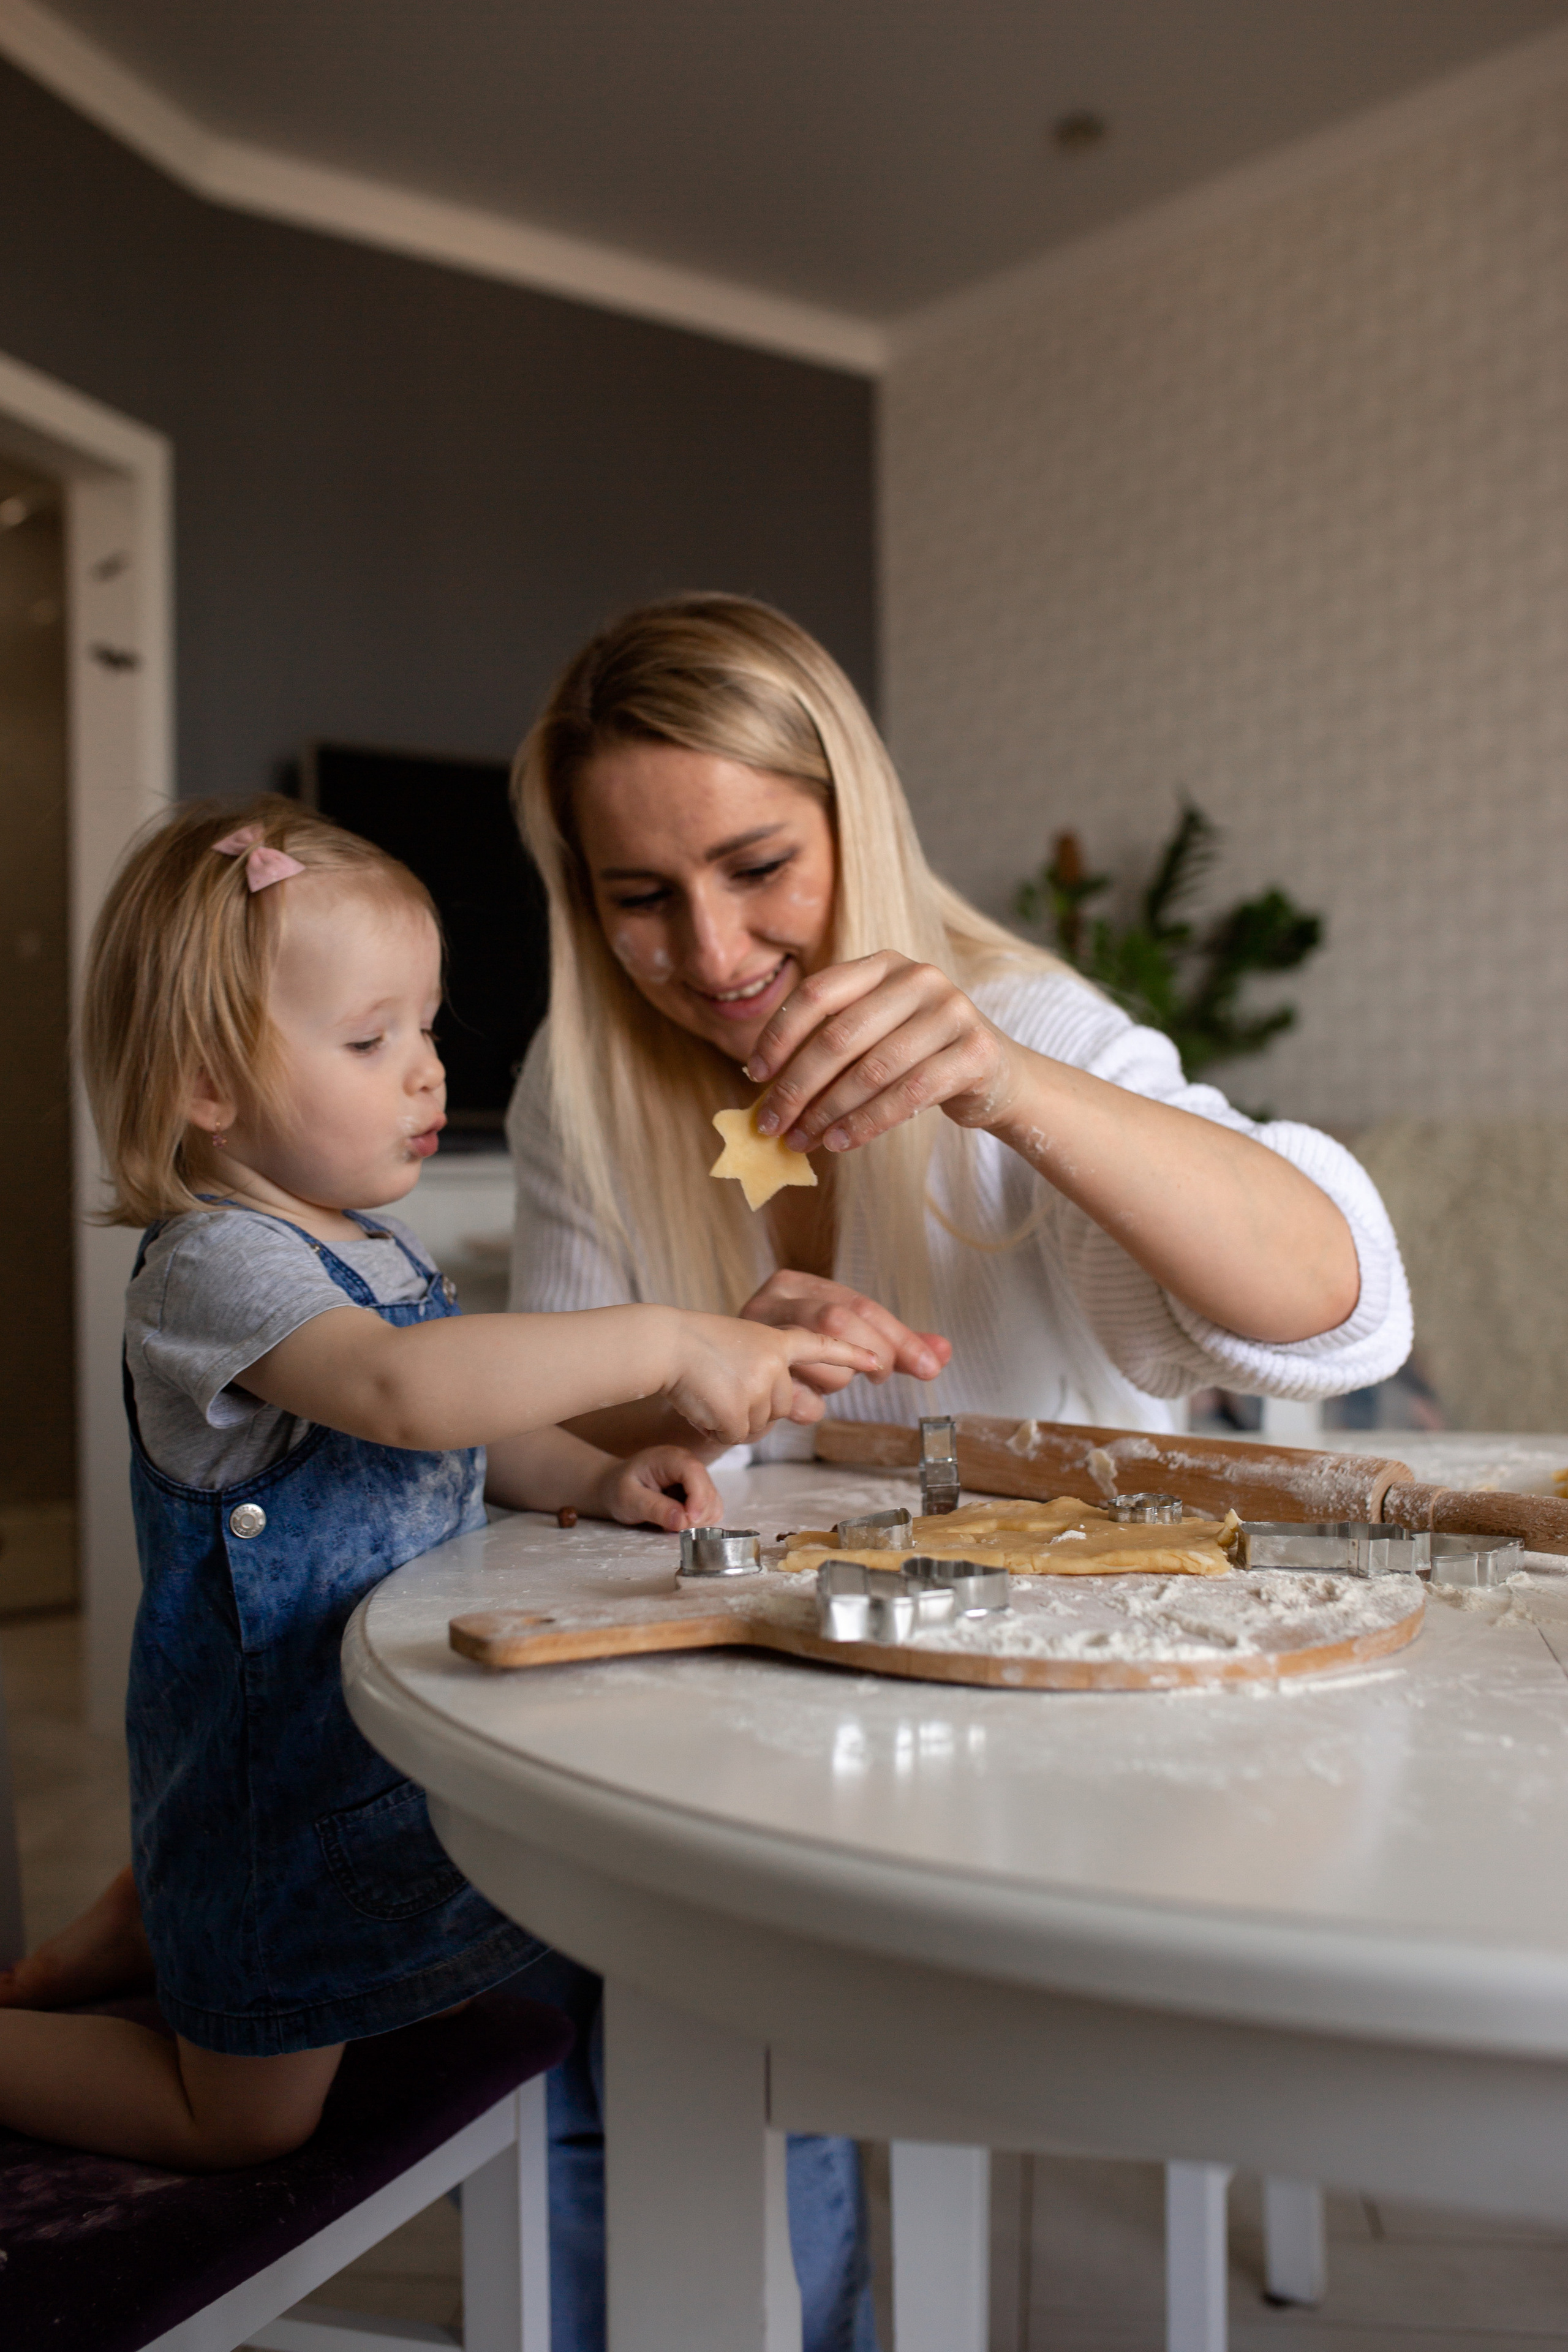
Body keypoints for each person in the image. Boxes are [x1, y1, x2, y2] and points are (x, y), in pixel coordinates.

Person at [502, 591, 1412, 2347]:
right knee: (583, 1928)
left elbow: (1346, 1313)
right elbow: (563, 1439)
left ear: (855, 820)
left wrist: (1002, 1085)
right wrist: (689, 1361)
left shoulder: (1030, 1029)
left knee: (690, 1956)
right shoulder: (587, 1076)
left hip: (1068, 1725)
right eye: (639, 896)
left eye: (758, 866)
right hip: (767, 1695)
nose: (711, 952)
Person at [0, 798, 877, 2172]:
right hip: (279, 1786)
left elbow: (457, 1436)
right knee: (240, 2123)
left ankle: (152, 1923)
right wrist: (667, 1340)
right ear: (206, 1088)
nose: (426, 1071)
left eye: (425, 1025)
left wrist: (601, 1471)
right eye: (370, 1041)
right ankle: (142, 1944)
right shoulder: (217, 1265)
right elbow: (402, 1392)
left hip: (382, 1752)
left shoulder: (373, 1244)